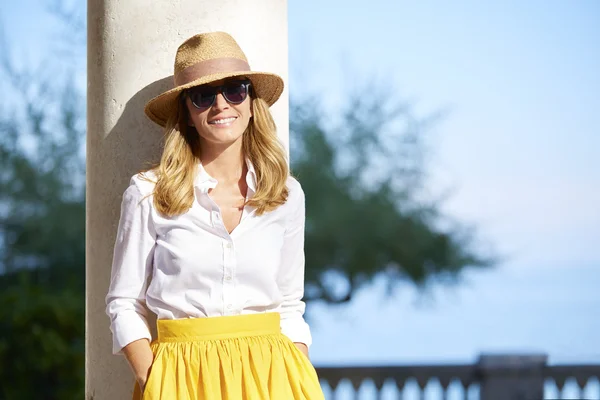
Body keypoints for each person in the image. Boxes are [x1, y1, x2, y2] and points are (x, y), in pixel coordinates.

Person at [105, 31, 325, 400]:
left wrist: (295, 368)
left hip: (274, 376)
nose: (221, 104)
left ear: (252, 103)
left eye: (236, 89)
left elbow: (289, 304)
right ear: (187, 115)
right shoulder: (148, 193)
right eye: (203, 96)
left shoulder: (286, 195)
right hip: (181, 378)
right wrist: (154, 380)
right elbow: (124, 303)